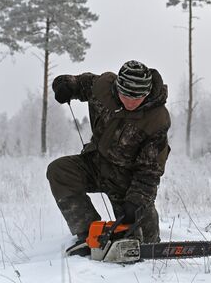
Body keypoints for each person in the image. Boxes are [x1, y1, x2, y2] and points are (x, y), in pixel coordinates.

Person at [47, 60, 171, 256]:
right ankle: (89, 235)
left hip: (127, 180)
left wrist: (135, 201)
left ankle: (133, 233)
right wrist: (65, 85)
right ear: (117, 87)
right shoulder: (103, 87)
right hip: (95, 163)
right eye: (125, 95)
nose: (130, 102)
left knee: (146, 242)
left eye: (138, 97)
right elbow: (78, 83)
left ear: (147, 93)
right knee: (59, 171)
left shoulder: (158, 119)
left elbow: (150, 171)